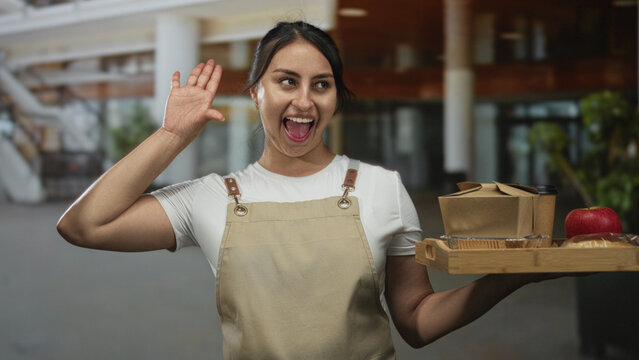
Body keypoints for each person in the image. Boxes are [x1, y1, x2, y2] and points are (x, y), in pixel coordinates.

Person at [57, 21, 545, 359]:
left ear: (335, 96)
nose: (304, 102)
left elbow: (416, 322)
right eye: (286, 81)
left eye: (322, 84)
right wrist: (174, 136)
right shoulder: (210, 198)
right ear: (256, 92)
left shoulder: (382, 188)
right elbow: (83, 225)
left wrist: (508, 279)